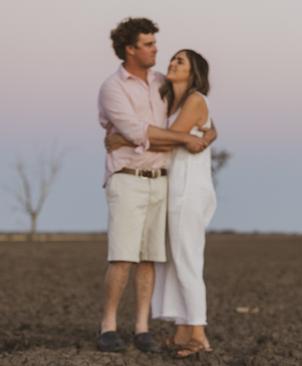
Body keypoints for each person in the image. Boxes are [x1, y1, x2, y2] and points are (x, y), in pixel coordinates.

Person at [97, 18, 215, 353]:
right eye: (149, 44)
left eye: (156, 44)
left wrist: (205, 135)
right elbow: (144, 133)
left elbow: (186, 127)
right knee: (124, 256)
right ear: (130, 49)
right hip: (129, 180)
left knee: (158, 258)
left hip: (169, 185)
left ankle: (154, 329)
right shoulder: (113, 87)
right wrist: (188, 139)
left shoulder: (166, 86)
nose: (157, 51)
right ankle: (109, 326)